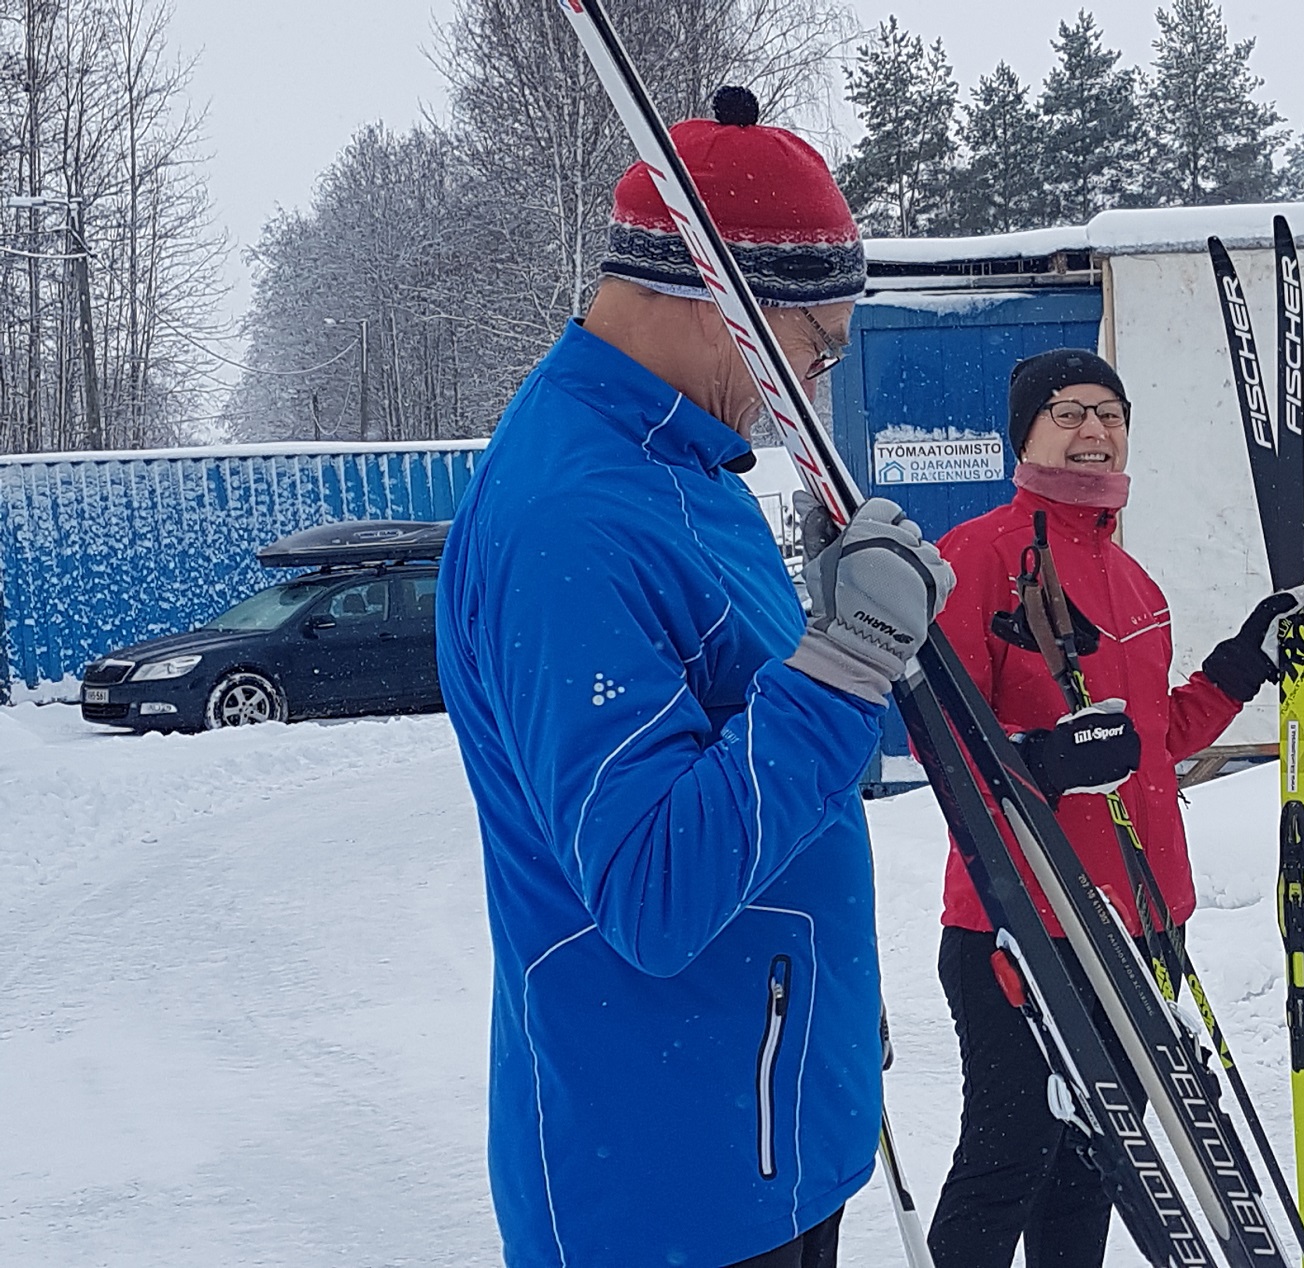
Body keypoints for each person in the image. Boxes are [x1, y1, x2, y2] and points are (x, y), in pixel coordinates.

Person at [437, 88, 956, 1268]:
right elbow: (653, 885)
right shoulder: (573, 518)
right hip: (666, 1179)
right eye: (811, 348)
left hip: (757, 1104)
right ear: (714, 296)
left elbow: (759, 751)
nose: (811, 393)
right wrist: (846, 661)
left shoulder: (684, 467)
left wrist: (830, 636)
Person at [921, 348, 1304, 1268]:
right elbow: (935, 740)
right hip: (1022, 921)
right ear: (1023, 433)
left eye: (1110, 412)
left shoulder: (1134, 582)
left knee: (1104, 1169)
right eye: (1068, 412)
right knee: (1006, 1160)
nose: (1094, 430)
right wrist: (1042, 761)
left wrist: (1242, 662)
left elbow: (1153, 739)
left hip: (1141, 920)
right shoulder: (978, 556)